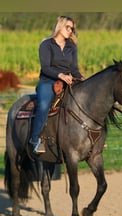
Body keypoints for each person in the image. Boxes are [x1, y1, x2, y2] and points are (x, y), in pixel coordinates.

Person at [29, 16, 85, 154]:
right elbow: (46, 68)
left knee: (84, 102)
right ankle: (35, 140)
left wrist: (83, 79)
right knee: (43, 106)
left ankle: (88, 140)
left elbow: (74, 69)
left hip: (68, 80)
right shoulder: (46, 44)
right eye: (68, 27)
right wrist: (61, 75)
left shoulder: (72, 47)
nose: (70, 31)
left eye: (72, 29)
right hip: (48, 81)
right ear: (60, 26)